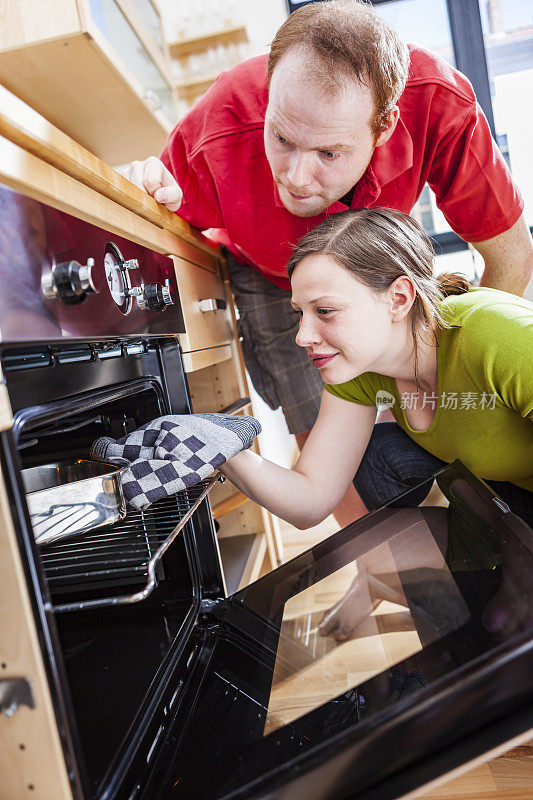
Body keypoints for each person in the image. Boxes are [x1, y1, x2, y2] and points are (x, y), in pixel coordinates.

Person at [126, 0, 533, 526]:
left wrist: (467, 400)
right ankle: (373, 566)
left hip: (372, 270)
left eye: (328, 154)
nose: (295, 176)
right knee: (338, 442)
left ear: (384, 127)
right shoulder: (221, 121)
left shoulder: (438, 104)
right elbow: (159, 211)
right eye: (282, 138)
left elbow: (511, 255)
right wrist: (146, 190)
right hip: (267, 271)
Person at [219, 207, 533, 640]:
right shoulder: (362, 371)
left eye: (325, 311)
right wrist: (221, 449)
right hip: (501, 498)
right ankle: (467, 611)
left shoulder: (493, 333)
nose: (302, 336)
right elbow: (311, 499)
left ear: (399, 299)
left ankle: (509, 587)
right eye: (300, 313)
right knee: (375, 463)